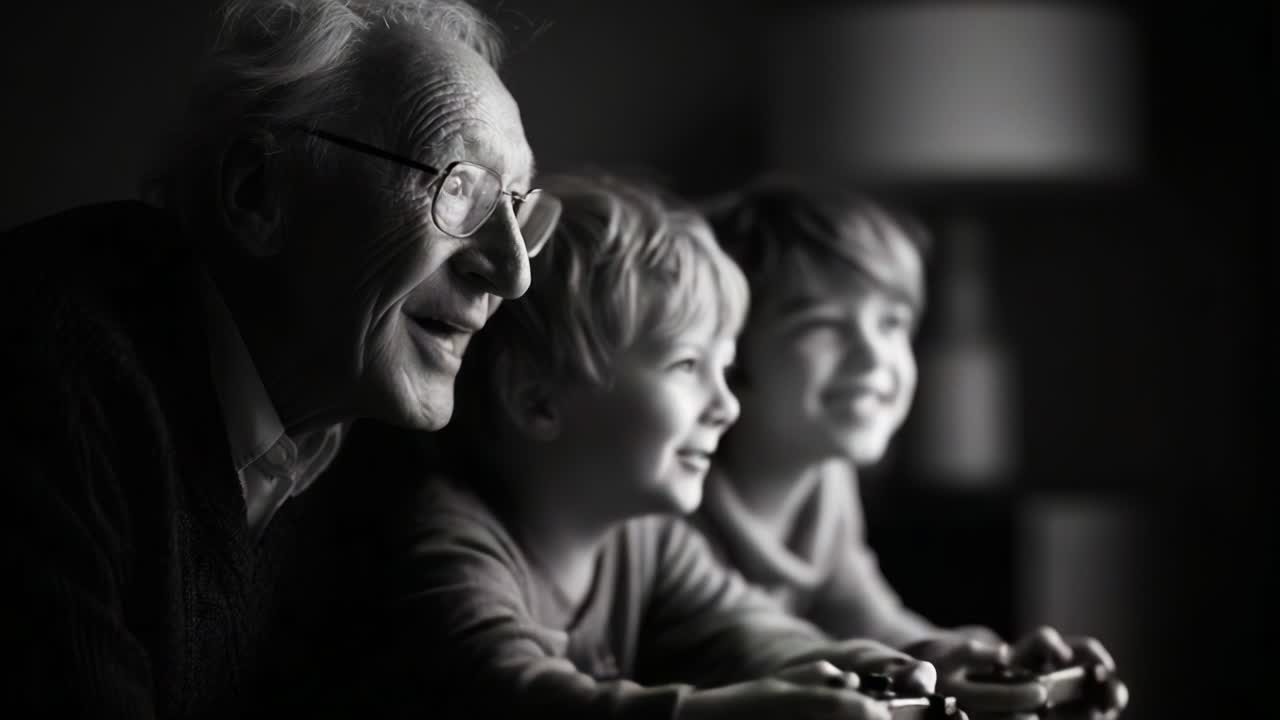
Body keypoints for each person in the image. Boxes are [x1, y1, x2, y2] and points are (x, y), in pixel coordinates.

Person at [1, 1, 561, 717]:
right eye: (459, 189)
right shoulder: (47, 377)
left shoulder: (364, 445)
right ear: (258, 191)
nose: (513, 273)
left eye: (517, 206)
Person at [369, 174, 945, 720]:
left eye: (725, 369)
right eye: (688, 365)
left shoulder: (647, 540)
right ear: (537, 399)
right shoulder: (450, 548)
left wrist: (875, 670)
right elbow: (523, 700)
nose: (728, 405)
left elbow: (748, 633)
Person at [693, 177, 1129, 718]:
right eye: (823, 326)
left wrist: (973, 658)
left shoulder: (825, 482)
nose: (875, 356)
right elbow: (739, 641)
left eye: (892, 322)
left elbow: (864, 618)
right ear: (728, 356)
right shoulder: (673, 491)